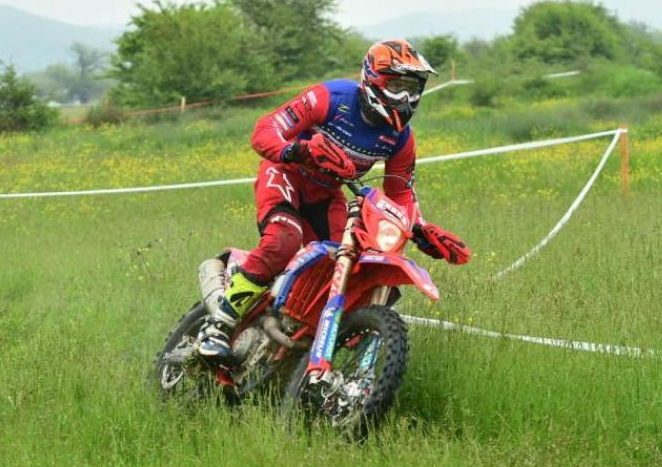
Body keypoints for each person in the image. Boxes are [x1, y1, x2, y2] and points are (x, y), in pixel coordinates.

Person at [196, 39, 471, 361]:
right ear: (373, 79)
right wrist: (297, 150)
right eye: (396, 85)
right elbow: (265, 129)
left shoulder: (401, 139)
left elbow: (402, 193)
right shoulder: (331, 97)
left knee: (344, 265)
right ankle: (218, 324)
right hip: (285, 173)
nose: (406, 97)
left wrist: (420, 230)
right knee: (283, 240)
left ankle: (292, 340)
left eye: (413, 88)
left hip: (327, 194)